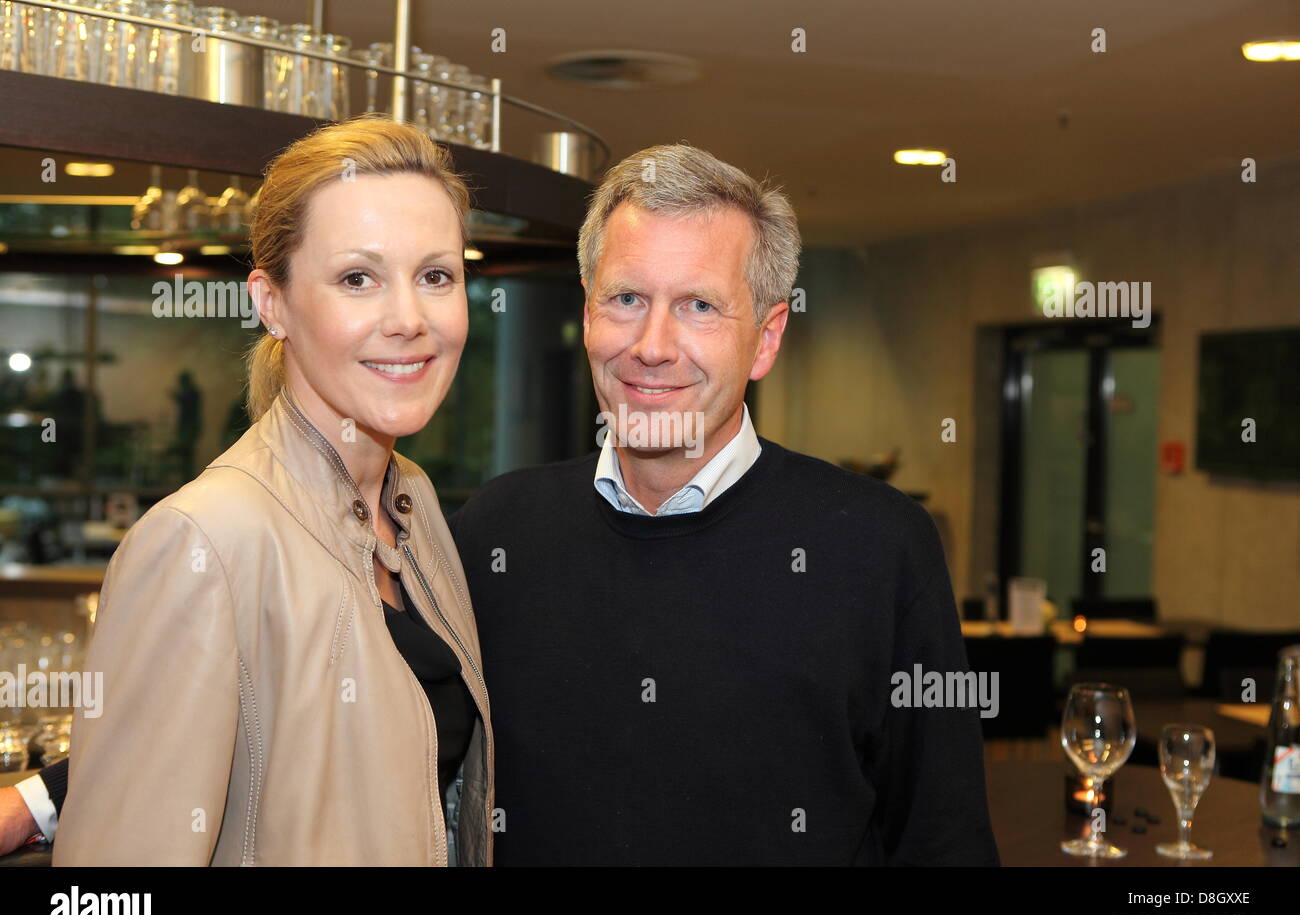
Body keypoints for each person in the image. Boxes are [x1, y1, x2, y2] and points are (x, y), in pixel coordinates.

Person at [2, 142, 996, 866]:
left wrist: (39, 800)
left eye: (699, 305)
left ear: (767, 336)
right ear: (585, 313)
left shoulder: (877, 545)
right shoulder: (496, 529)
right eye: (625, 299)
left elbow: (943, 840)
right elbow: (232, 703)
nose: (654, 345)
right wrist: (51, 797)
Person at [0, 115, 494, 865]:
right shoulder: (204, 540)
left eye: (436, 276)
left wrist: (43, 799)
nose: (409, 319)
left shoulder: (413, 503)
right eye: (358, 278)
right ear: (272, 303)